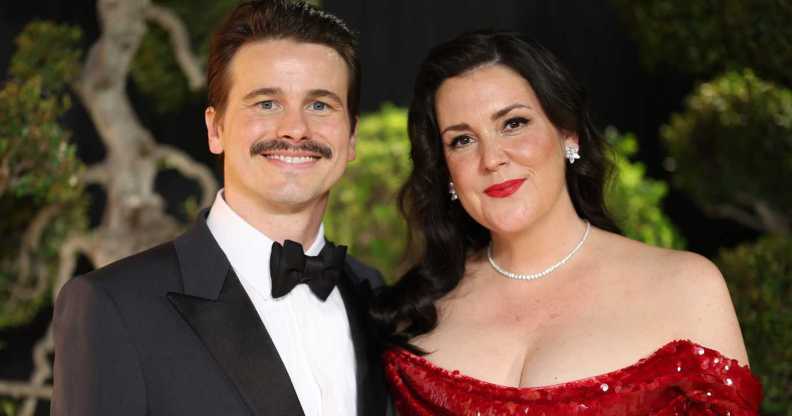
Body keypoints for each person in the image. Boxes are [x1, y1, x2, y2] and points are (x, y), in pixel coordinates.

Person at [375, 31, 761, 415]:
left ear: (567, 133)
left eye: (513, 123)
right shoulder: (416, 313)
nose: (491, 158)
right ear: (446, 172)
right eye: (462, 140)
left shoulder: (686, 286)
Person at [52, 1, 388, 415]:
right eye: (266, 103)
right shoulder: (113, 307)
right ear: (216, 129)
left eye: (320, 105)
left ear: (351, 136)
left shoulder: (377, 297)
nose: (296, 129)